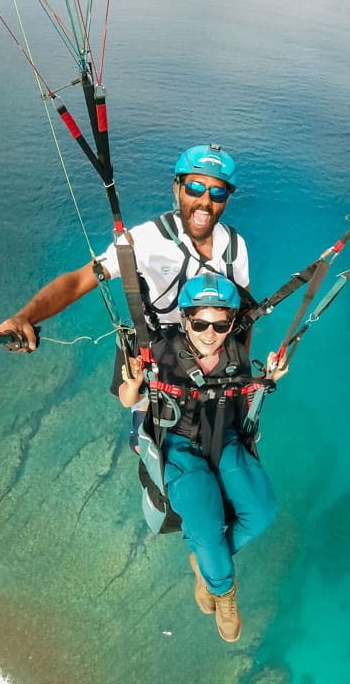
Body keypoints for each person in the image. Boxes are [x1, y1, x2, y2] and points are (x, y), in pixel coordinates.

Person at [118, 273, 287, 643]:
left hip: (224, 438)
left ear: (230, 323)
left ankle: (205, 566)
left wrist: (269, 378)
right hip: (179, 447)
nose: (210, 333)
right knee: (208, 530)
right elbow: (131, 401)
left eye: (221, 324)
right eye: (200, 323)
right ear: (185, 319)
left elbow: (245, 394)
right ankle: (224, 592)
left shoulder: (236, 354)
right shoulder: (161, 352)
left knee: (261, 512)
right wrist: (132, 385)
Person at [0, 143, 249, 347]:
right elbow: (77, 281)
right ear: (177, 189)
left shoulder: (234, 246)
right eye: (195, 188)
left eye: (217, 193)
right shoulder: (147, 240)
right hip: (155, 348)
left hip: (208, 348)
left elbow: (245, 313)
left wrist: (243, 371)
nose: (205, 202)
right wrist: (25, 316)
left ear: (226, 200)